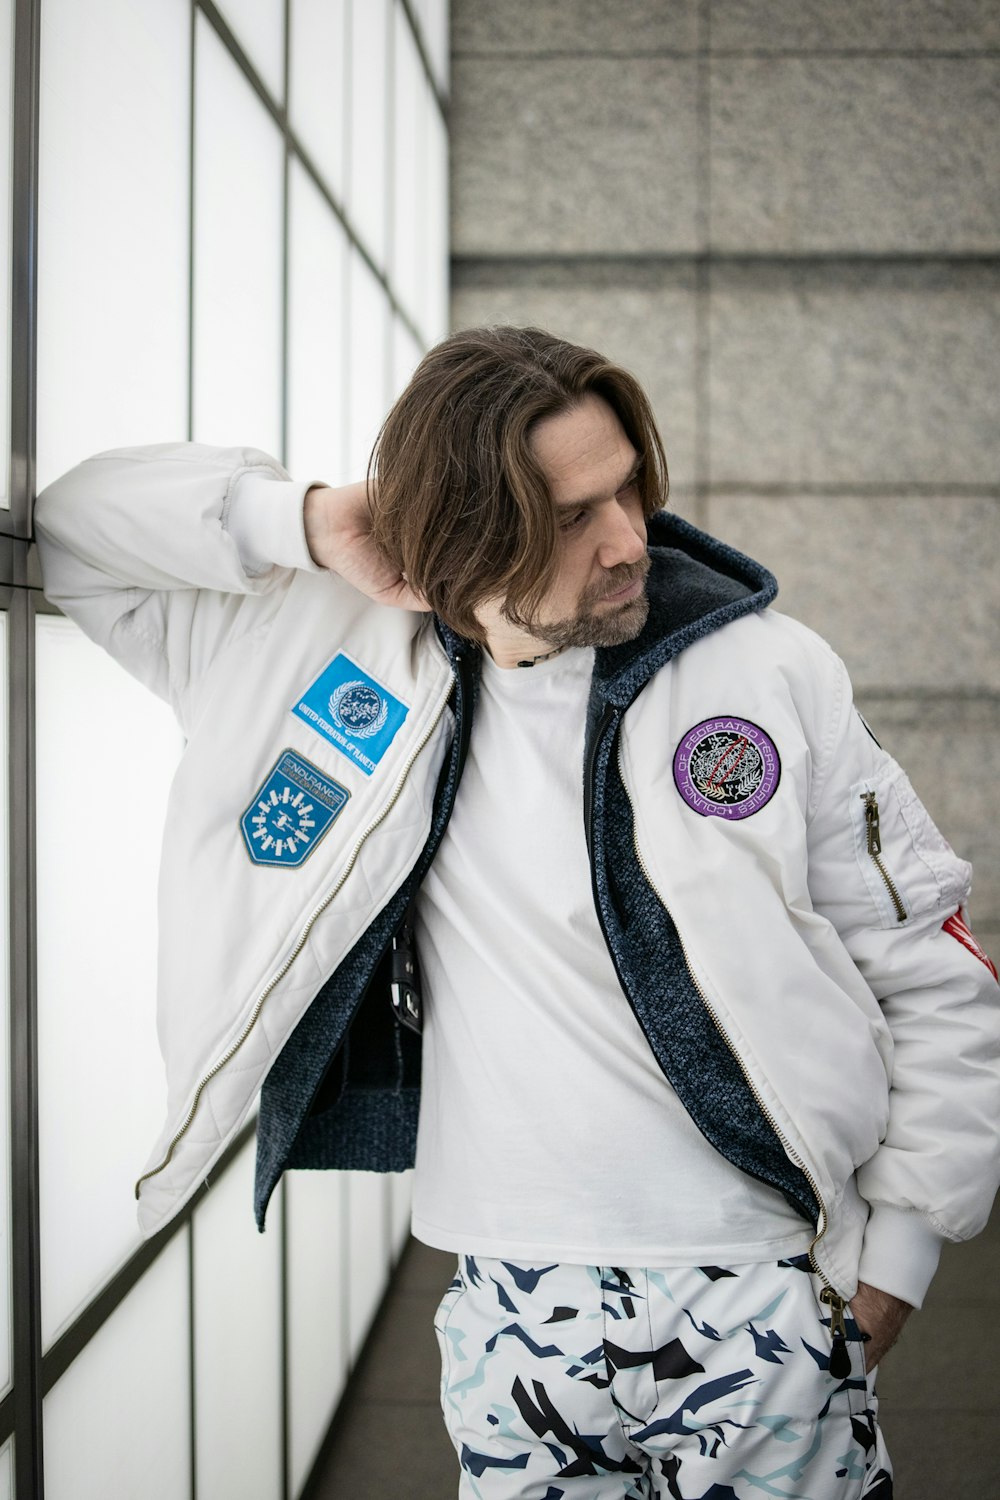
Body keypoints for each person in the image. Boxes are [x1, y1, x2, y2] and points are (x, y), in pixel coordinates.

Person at [35, 326, 1000, 1499]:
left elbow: (927, 961)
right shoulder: (309, 659)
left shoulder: (767, 672)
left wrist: (898, 1254)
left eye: (628, 489)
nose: (627, 540)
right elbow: (77, 528)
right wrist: (310, 518)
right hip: (505, 1294)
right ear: (459, 529)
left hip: (762, 1281)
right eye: (569, 515)